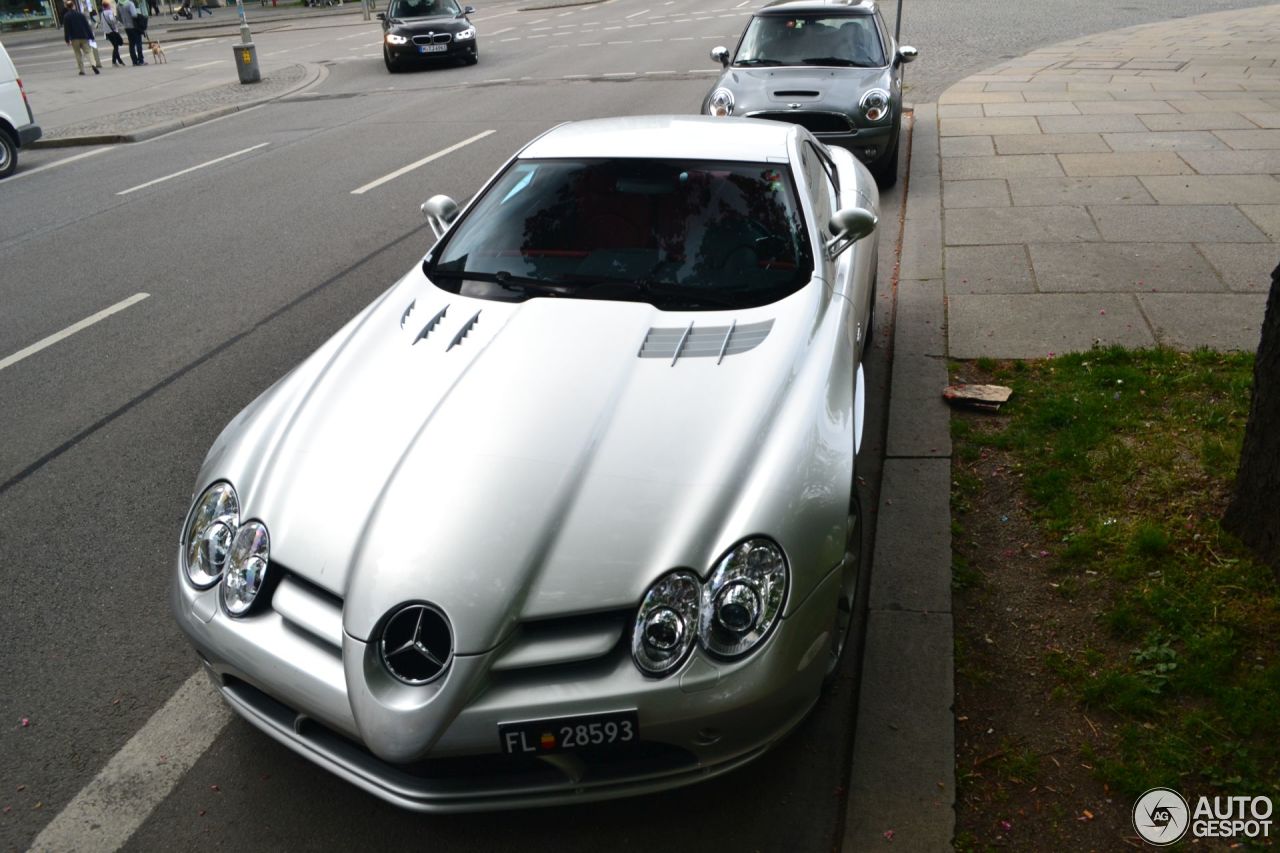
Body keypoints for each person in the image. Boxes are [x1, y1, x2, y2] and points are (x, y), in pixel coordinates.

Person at [62, 0, 101, 75]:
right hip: (84, 36)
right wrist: (91, 36)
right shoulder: (81, 15)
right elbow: (87, 26)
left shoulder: (66, 16)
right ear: (74, 6)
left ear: (67, 7)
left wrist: (67, 39)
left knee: (78, 53)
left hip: (74, 38)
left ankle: (82, 70)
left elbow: (66, 29)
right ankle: (93, 64)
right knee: (88, 51)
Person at [118, 0, 145, 65]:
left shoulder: (118, 5)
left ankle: (134, 61)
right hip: (133, 26)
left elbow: (119, 17)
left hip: (126, 27)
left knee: (131, 44)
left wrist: (124, 22)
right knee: (138, 42)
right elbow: (134, 15)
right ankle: (140, 60)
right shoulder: (130, 4)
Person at [100, 0, 125, 67]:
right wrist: (116, 24)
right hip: (113, 31)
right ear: (108, 6)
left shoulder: (102, 13)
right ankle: (114, 61)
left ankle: (119, 60)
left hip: (107, 32)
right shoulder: (110, 12)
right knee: (117, 45)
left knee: (115, 45)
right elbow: (112, 21)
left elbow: (102, 23)